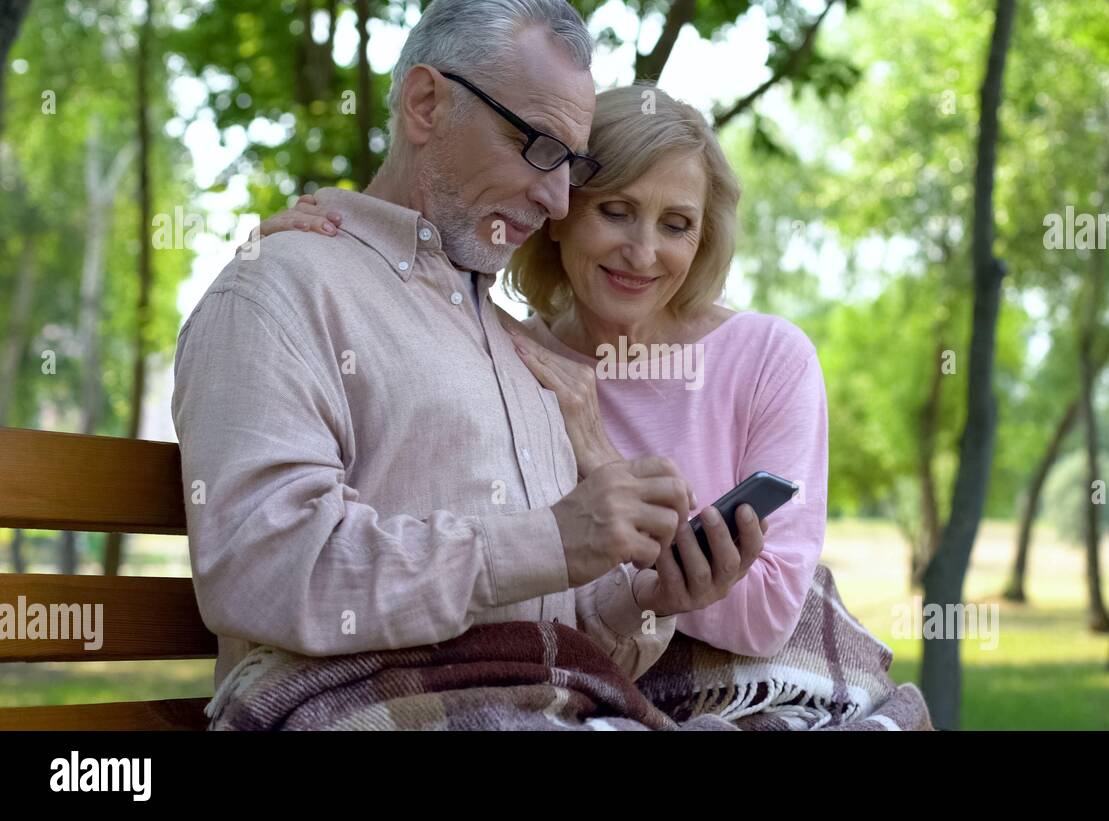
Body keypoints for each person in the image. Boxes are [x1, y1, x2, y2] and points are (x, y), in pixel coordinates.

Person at [172, 0, 762, 691]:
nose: (560, 200)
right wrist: (552, 539)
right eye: (539, 147)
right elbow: (263, 571)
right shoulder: (283, 286)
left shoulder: (512, 340)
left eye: (571, 164)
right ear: (426, 104)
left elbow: (547, 624)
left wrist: (645, 597)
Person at [260, 83, 829, 658]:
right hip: (573, 675)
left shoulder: (769, 359)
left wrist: (604, 460)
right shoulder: (506, 349)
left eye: (676, 224)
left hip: (720, 684)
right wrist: (325, 245)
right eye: (616, 211)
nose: (642, 252)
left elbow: (769, 616)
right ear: (559, 211)